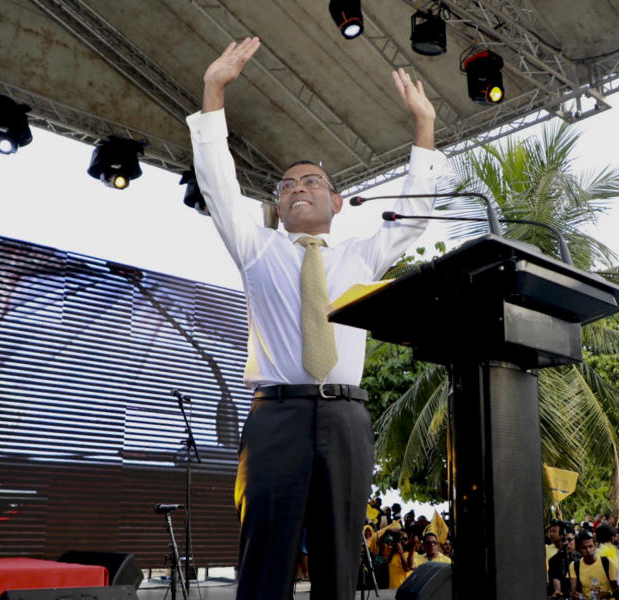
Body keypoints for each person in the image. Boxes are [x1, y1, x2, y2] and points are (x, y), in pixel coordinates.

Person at [189, 37, 444, 600]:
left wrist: (423, 127)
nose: (297, 188)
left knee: (337, 562)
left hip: (346, 417)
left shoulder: (361, 256)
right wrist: (213, 91)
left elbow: (415, 216)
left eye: (311, 182)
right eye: (286, 186)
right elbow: (217, 183)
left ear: (336, 201)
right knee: (266, 559)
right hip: (276, 418)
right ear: (278, 207)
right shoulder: (256, 247)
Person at [573, 530, 619, 599]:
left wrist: (608, 594)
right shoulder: (575, 566)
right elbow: (575, 593)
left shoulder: (607, 562)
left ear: (596, 545)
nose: (588, 550)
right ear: (579, 549)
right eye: (584, 547)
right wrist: (577, 596)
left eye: (590, 546)